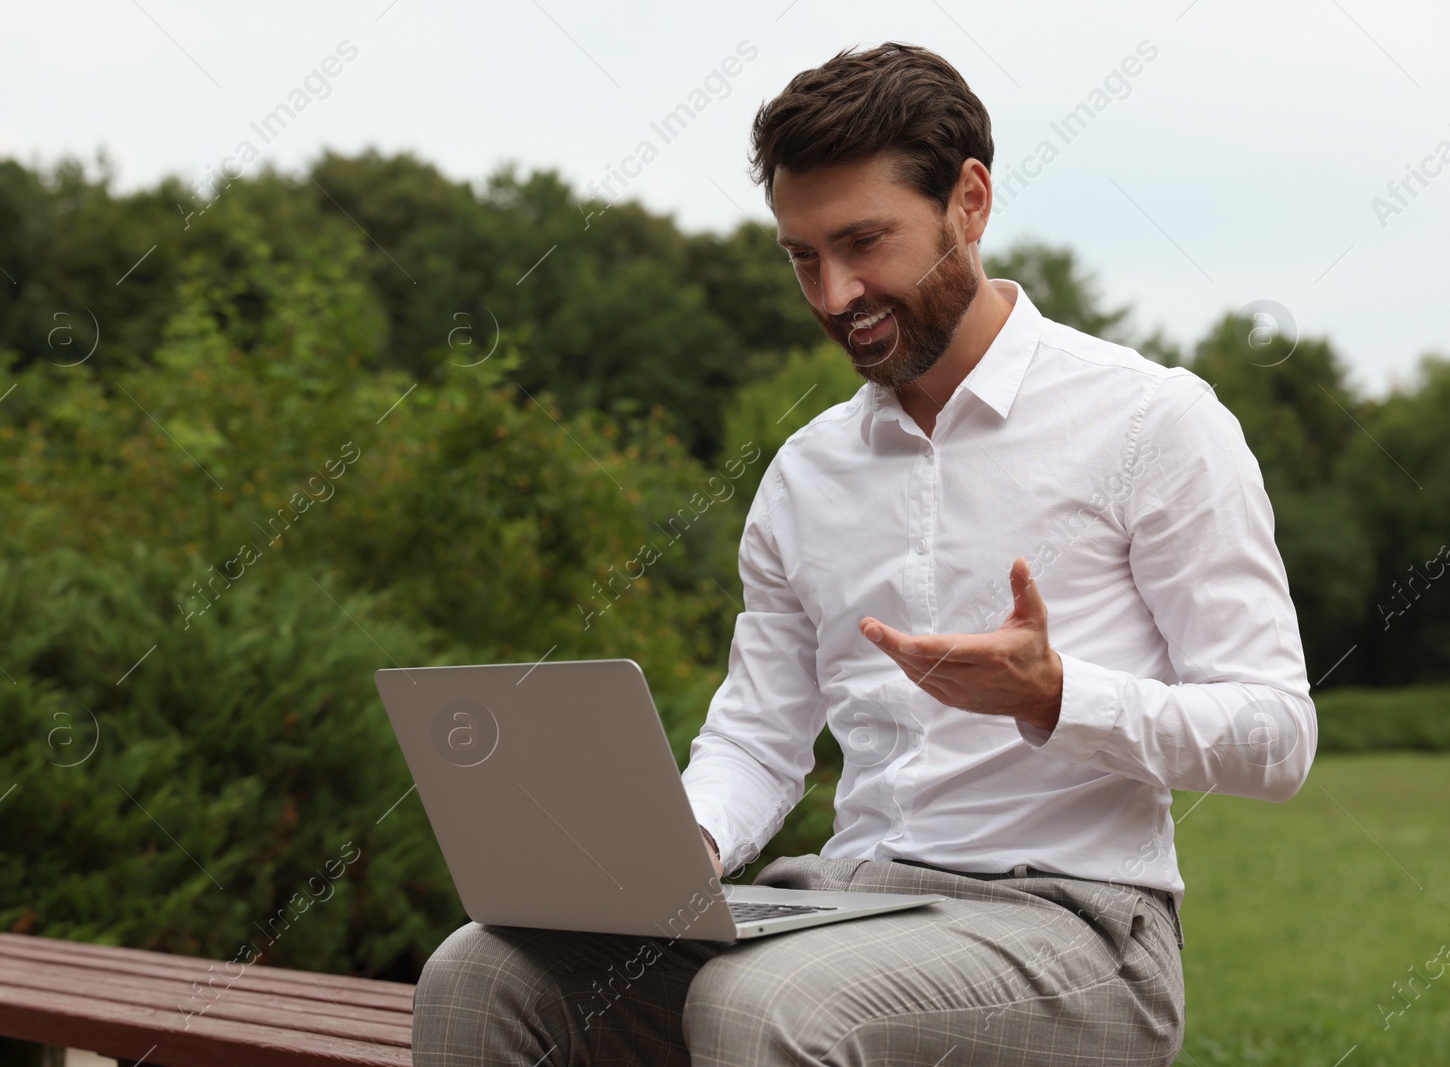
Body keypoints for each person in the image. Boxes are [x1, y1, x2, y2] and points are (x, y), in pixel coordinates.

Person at [411, 41, 1314, 1066]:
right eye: (801, 255)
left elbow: (1276, 736)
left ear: (967, 201)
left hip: (1078, 929)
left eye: (863, 241)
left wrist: (1054, 695)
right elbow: (758, 738)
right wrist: (680, 849)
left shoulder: (1152, 420)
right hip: (840, 908)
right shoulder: (807, 473)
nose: (835, 293)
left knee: (766, 1004)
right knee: (483, 973)